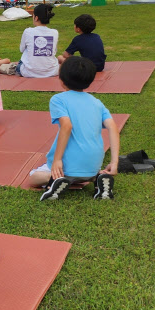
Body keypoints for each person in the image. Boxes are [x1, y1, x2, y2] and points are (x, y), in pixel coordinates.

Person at [28, 56, 119, 201]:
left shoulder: (58, 99)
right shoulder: (97, 103)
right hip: (92, 167)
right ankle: (99, 178)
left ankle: (55, 180)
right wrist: (114, 163)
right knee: (83, 172)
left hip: (66, 168)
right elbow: (113, 127)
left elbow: (67, 125)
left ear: (61, 79)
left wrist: (57, 160)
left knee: (33, 178)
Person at [8, 3, 58, 78]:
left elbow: (21, 49)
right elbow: (54, 51)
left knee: (24, 56)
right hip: (52, 71)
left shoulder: (28, 31)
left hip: (28, 72)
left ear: (36, 18)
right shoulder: (55, 32)